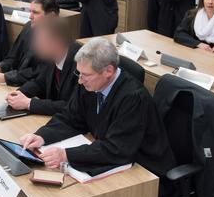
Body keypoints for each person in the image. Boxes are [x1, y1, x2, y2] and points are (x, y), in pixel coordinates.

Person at [18, 38, 174, 177]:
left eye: (85, 75)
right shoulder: (89, 84)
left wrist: (66, 155)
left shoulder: (133, 98)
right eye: (78, 73)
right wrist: (42, 136)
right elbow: (71, 117)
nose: (79, 81)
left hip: (143, 168)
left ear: (108, 71)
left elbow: (116, 148)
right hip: (111, 153)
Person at [7, 14, 81, 116]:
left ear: (56, 43)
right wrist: (19, 93)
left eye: (40, 42)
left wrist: (29, 103)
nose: (35, 46)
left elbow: (71, 106)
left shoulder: (81, 63)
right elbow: (39, 83)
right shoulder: (50, 57)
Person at [0, 0, 59, 86]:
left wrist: (4, 77)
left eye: (35, 12)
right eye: (30, 11)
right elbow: (13, 56)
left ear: (51, 16)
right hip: (16, 82)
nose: (30, 16)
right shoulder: (29, 27)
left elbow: (38, 73)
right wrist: (0, 68)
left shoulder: (56, 40)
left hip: (33, 89)